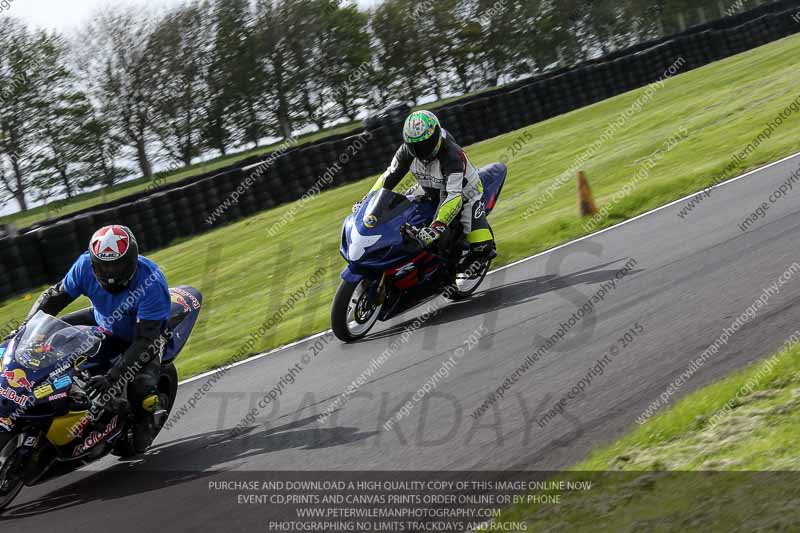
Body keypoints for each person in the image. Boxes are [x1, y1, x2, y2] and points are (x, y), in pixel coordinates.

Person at [25, 224, 171, 452]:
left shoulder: (151, 282)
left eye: (118, 265)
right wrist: (26, 327)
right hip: (103, 322)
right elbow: (54, 298)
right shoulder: (84, 266)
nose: (110, 272)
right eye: (104, 266)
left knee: (141, 388)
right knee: (50, 343)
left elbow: (145, 341)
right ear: (94, 262)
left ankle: (145, 421)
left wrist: (112, 378)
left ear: (132, 260)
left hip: (143, 337)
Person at [356, 110, 496, 265]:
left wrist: (436, 227)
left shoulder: (452, 156)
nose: (421, 150)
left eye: (425, 144)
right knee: (403, 212)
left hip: (464, 192)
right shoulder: (406, 152)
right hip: (429, 187)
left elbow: (452, 195)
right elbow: (388, 177)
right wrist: (368, 200)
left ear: (436, 135)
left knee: (481, 246)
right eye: (415, 146)